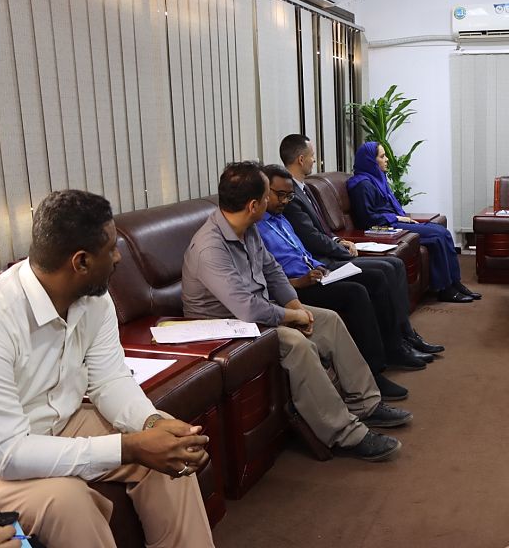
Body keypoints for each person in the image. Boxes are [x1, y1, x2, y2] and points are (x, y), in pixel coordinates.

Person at [0, 190, 214, 547]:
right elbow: (11, 453)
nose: (117, 257)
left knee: (168, 448)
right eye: (111, 249)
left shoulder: (94, 300)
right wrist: (128, 447)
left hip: (62, 424)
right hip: (5, 457)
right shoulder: (3, 315)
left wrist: (150, 424)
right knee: (68, 502)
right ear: (81, 262)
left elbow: (110, 379)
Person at [181, 161, 412, 461]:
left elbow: (272, 271)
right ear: (253, 205)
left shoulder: (247, 229)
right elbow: (246, 308)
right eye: (267, 195)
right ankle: (345, 434)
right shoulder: (209, 248)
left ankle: (366, 404)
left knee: (328, 320)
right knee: (296, 344)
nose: (272, 201)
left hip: (256, 316)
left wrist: (296, 306)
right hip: (225, 327)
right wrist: (291, 317)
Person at [257, 164, 427, 400]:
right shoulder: (257, 227)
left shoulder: (281, 219)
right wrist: (299, 281)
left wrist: (317, 266)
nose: (285, 201)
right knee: (355, 293)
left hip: (317, 272)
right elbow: (269, 275)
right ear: (264, 192)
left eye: (289, 196)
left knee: (378, 276)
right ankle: (374, 371)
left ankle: (395, 346)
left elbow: (301, 251)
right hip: (298, 286)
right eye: (280, 195)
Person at [279, 134, 448, 353]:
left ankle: (406, 335)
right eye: (312, 155)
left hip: (330, 251)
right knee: (384, 270)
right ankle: (397, 345)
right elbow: (311, 238)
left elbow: (322, 231)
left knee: (395, 264)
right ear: (301, 159)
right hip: (321, 262)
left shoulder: (305, 189)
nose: (315, 160)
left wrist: (339, 240)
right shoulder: (291, 196)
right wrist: (342, 249)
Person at [347, 141, 481, 303]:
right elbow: (366, 219)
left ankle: (455, 282)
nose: (387, 159)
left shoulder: (376, 179)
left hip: (392, 223)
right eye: (382, 156)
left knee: (443, 232)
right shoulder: (361, 185)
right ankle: (445, 289)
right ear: (370, 161)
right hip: (384, 227)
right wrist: (397, 218)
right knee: (437, 236)